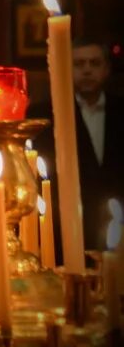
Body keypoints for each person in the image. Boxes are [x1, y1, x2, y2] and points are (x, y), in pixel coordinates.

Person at [31, 38, 124, 251]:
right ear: (67, 68)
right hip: (67, 230)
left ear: (107, 68)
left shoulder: (121, 110)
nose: (87, 70)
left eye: (94, 63)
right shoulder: (44, 116)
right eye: (79, 64)